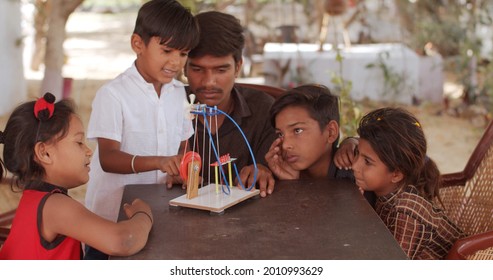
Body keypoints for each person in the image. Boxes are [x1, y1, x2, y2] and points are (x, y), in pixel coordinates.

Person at [84, 0, 199, 259]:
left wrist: (181, 170)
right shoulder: (113, 95)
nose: (176, 62)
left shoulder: (178, 93)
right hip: (110, 221)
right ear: (138, 44)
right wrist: (159, 162)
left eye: (183, 54)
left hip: (159, 215)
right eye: (167, 50)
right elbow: (109, 158)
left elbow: (183, 144)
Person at [0, 93, 152, 260]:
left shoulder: (35, 199)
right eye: (79, 142)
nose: (89, 151)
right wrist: (143, 215)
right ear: (45, 153)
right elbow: (124, 241)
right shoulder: (55, 206)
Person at [351, 107, 463, 259]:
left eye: (367, 162)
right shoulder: (388, 192)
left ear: (396, 174)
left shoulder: (405, 210)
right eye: (357, 153)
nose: (354, 165)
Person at [184, 11, 276, 197]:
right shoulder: (164, 108)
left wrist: (264, 170)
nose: (209, 82)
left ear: (238, 67)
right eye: (197, 69)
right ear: (184, 67)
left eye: (221, 69)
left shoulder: (264, 110)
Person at [265, 84, 354, 180]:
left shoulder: (356, 175)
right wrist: (290, 184)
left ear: (331, 132)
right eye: (280, 134)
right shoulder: (276, 175)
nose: (285, 145)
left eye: (297, 130)